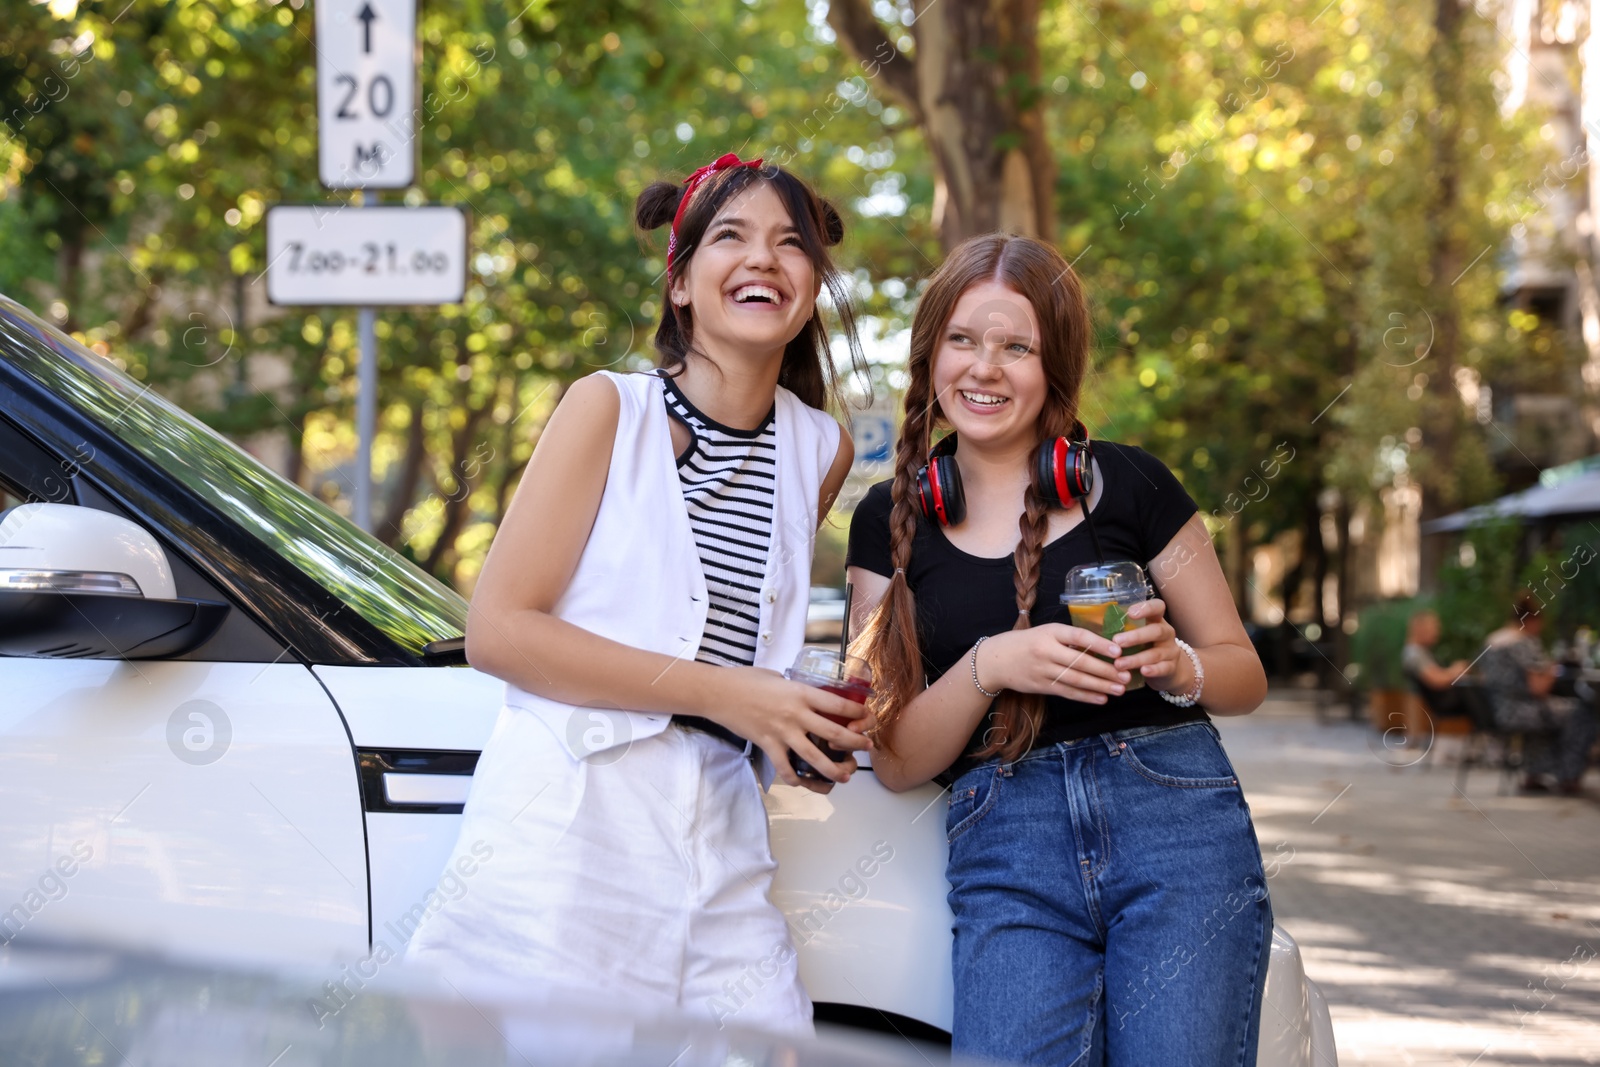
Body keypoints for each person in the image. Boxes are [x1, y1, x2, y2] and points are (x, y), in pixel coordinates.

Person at [405, 153, 870, 1035]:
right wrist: (740, 696)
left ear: (811, 285)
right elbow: (499, 631)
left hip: (724, 827)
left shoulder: (820, 448)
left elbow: (748, 647)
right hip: (577, 820)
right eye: (730, 237)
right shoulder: (608, 409)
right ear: (682, 280)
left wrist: (797, 720)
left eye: (789, 244)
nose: (763, 258)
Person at [847, 234, 1272, 1066]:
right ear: (930, 353)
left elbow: (1243, 673)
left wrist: (1178, 663)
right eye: (962, 341)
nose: (984, 368)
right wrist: (991, 665)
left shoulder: (1137, 484)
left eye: (1017, 347)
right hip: (1005, 841)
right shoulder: (886, 521)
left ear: (1056, 367)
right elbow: (894, 757)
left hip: (1175, 822)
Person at [1480, 593, 1597, 795]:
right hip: (1521, 711)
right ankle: (1569, 777)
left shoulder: (1492, 640)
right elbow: (1538, 689)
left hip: (1496, 710)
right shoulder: (1523, 642)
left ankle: (1535, 774)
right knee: (1581, 712)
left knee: (1552, 712)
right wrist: (1553, 667)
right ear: (1532, 620)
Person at [1401, 609, 1469, 718]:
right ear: (1420, 629)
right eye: (1434, 628)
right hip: (1442, 701)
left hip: (1441, 699)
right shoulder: (1415, 654)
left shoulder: (1419, 651)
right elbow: (1436, 680)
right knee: (1472, 691)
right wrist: (1456, 670)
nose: (1437, 633)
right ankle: (1486, 729)